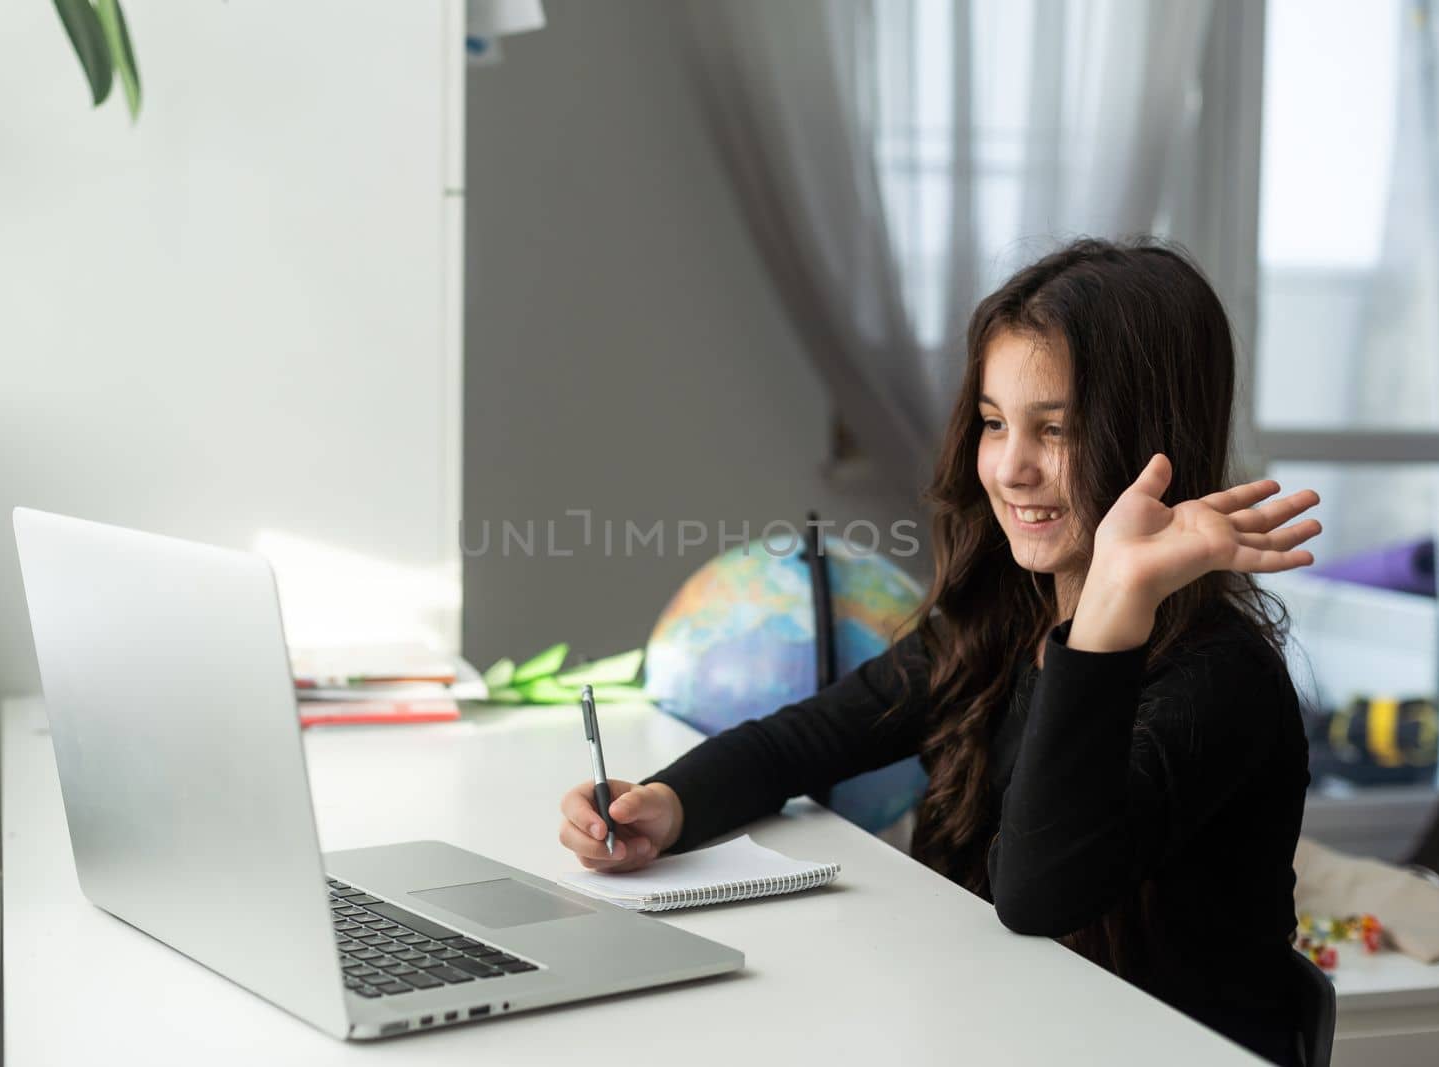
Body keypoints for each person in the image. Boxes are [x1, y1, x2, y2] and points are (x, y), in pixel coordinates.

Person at [556, 238, 1318, 1066]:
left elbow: (1041, 892)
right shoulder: (995, 622)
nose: (1012, 468)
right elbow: (803, 739)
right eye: (995, 423)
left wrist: (1112, 599)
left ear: (1150, 443)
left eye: (1054, 429)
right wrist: (665, 806)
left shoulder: (1222, 678)